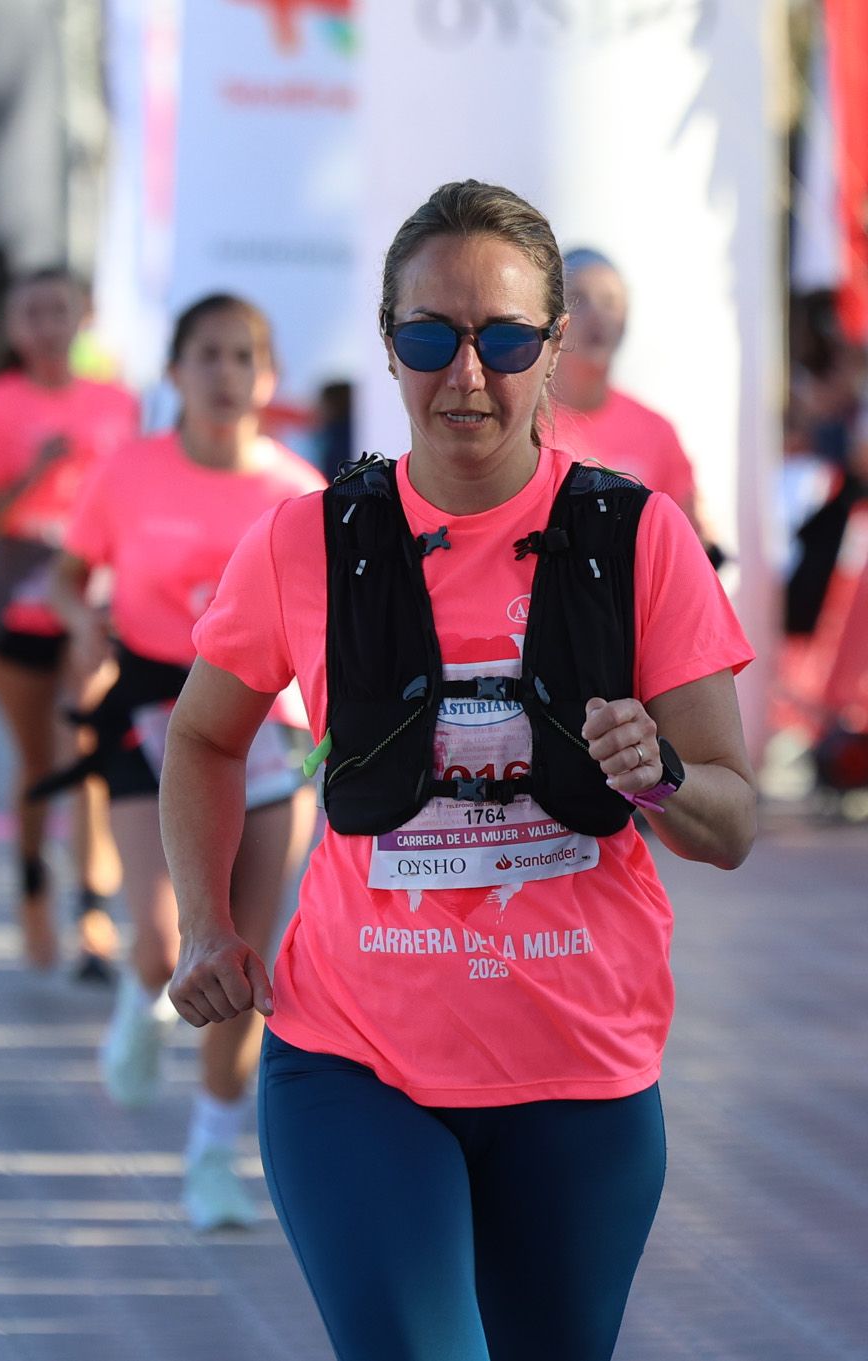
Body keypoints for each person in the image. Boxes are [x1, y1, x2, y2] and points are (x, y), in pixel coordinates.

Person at [167, 179, 755, 1359]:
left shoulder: (636, 537)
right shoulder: (305, 538)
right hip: (352, 1062)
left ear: (553, 347)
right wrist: (203, 920)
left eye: (505, 338)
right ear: (389, 347)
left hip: (578, 1074)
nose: (468, 375)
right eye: (431, 337)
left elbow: (731, 817)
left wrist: (656, 779)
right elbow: (202, 735)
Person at [50, 293, 323, 1229]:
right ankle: (139, 991)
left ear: (269, 377)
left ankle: (214, 1146)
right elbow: (67, 572)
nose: (223, 374)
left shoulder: (300, 488)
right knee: (168, 935)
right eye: (205, 354)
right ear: (173, 373)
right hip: (152, 709)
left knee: (245, 952)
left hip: (266, 728)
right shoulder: (128, 471)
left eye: (242, 356)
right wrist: (82, 620)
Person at [0, 266, 138, 977]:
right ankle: (33, 889)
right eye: (33, 312)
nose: (49, 326)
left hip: (93, 594)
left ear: (83, 316)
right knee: (36, 761)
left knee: (87, 747)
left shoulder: (117, 402)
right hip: (16, 594)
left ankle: (93, 912)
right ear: (15, 326)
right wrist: (33, 474)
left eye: (60, 310)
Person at [550, 248, 708, 540]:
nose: (596, 315)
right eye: (579, 299)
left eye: (610, 302)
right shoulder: (520, 425)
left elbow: (688, 544)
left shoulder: (658, 432)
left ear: (626, 320)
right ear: (552, 317)